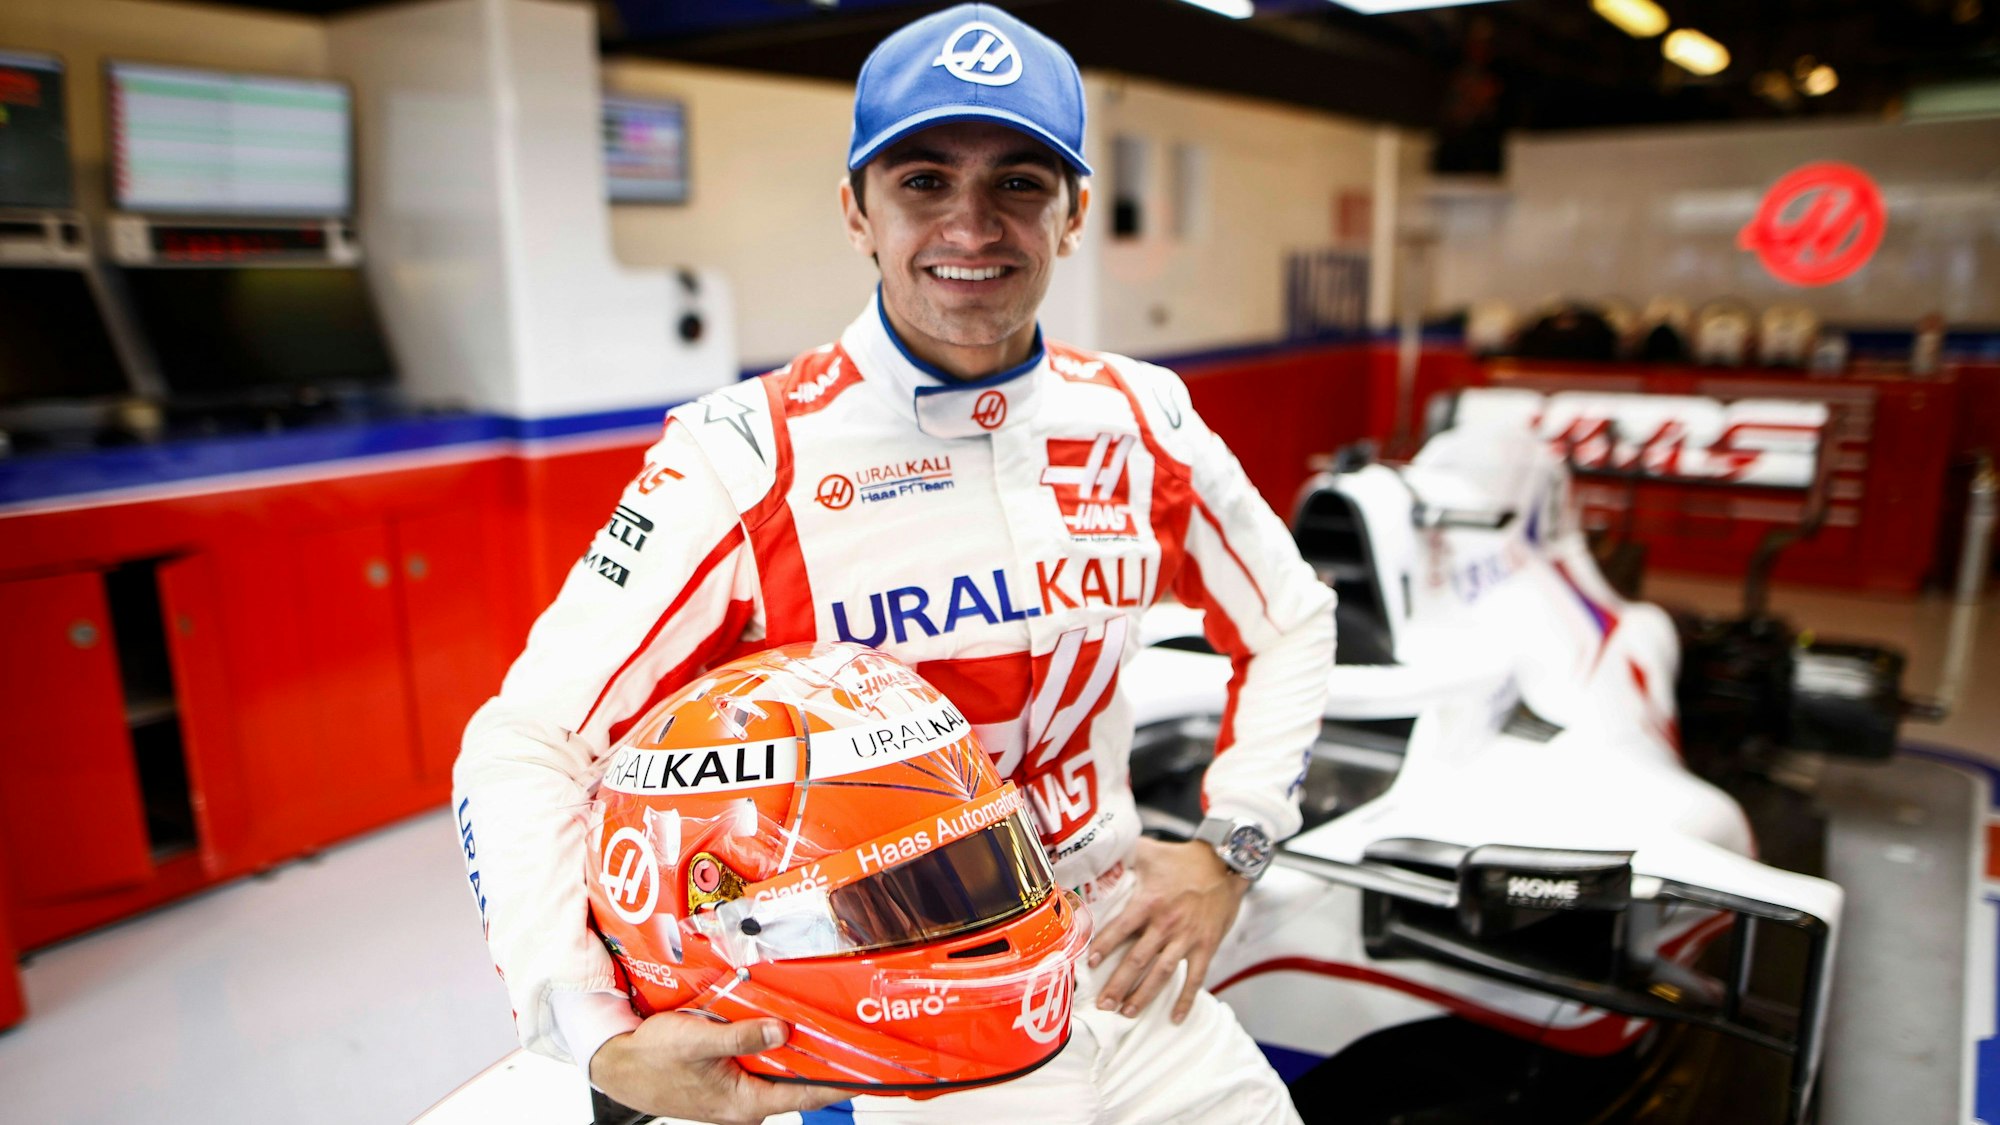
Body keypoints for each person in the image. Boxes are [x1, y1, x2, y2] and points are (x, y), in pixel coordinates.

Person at [453, 5, 1334, 1123]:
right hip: (896, 1034)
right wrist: (586, 1032)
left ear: (1070, 216)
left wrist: (1233, 845)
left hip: (1121, 970)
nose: (971, 226)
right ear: (855, 213)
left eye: (1018, 183)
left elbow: (1292, 617)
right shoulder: (744, 457)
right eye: (923, 181)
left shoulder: (1140, 420)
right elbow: (523, 742)